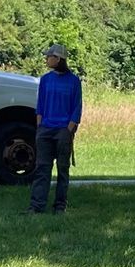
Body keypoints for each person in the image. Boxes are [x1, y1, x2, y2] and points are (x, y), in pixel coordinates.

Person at [31, 44, 82, 213]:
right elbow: (41, 104)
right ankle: (37, 206)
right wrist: (39, 125)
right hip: (45, 129)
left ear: (58, 59)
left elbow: (77, 107)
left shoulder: (74, 81)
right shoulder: (45, 80)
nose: (46, 59)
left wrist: (69, 128)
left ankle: (60, 206)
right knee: (42, 169)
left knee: (62, 169)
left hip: (63, 131)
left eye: (49, 56)